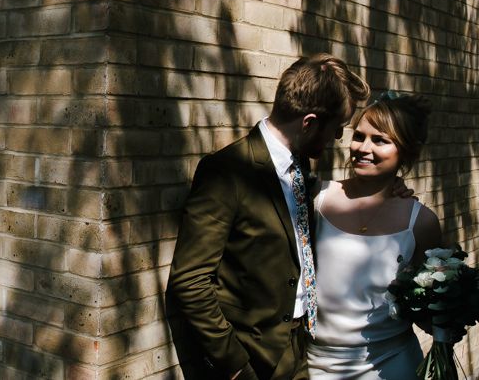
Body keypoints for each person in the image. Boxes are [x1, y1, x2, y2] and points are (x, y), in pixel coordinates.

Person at [168, 54, 408, 380]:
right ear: (308, 123)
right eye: (336, 128)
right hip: (251, 359)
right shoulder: (228, 172)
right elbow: (190, 281)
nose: (338, 138)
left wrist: (386, 192)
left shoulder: (299, 169)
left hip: (300, 349)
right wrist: (235, 365)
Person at [307, 93, 441, 380]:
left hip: (391, 365)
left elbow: (426, 304)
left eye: (380, 140)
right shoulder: (316, 197)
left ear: (406, 151)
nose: (363, 148)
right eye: (358, 136)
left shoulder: (422, 223)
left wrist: (451, 315)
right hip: (314, 364)